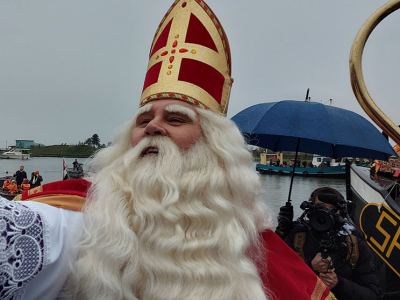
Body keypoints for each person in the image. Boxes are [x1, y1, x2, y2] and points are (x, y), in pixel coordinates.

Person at [0, 1, 336, 299]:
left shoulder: (252, 245)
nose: (152, 127)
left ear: (214, 147)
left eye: (175, 119)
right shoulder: (75, 217)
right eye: (144, 119)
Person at [276, 187, 380, 300]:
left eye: (332, 209)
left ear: (341, 213)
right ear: (310, 210)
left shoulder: (354, 244)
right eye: (320, 207)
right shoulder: (296, 237)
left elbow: (372, 295)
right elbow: (275, 278)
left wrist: (338, 284)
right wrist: (310, 268)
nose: (326, 213)